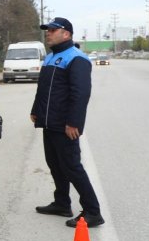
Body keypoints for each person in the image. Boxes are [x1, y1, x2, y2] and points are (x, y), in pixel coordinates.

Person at [31, 17, 104, 228]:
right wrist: (36, 110)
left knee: (72, 167)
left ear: (66, 34)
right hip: (49, 122)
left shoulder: (77, 58)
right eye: (48, 30)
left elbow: (81, 94)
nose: (48, 33)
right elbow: (43, 89)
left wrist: (74, 123)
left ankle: (93, 211)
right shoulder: (50, 58)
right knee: (55, 164)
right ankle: (62, 203)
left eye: (53, 30)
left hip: (65, 125)